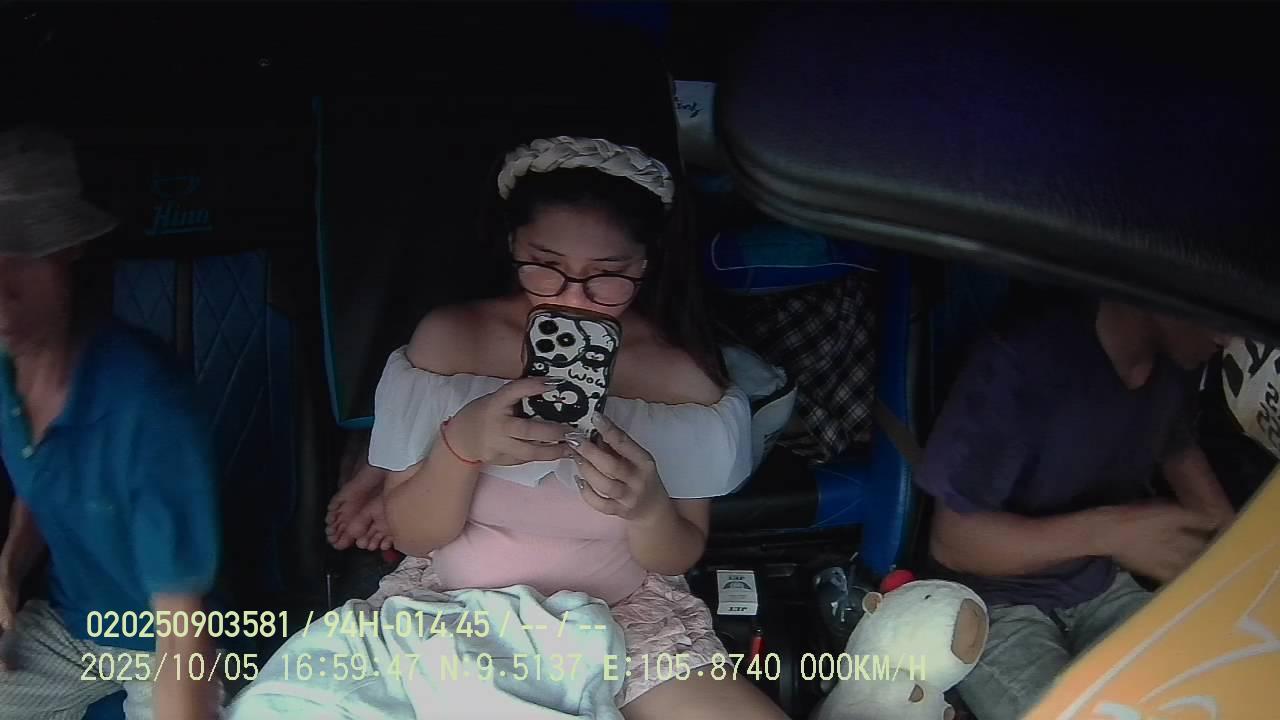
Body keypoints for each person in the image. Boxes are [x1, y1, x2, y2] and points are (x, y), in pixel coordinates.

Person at [322, 135, 786, 718]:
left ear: (645, 264)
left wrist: (648, 510)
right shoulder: (451, 342)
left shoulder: (683, 380)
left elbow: (676, 555)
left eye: (608, 276)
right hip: (454, 611)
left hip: (625, 623)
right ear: (513, 246)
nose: (574, 300)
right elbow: (415, 537)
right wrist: (460, 447)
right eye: (545, 267)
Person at [916, 295, 1237, 720]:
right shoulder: (1024, 359)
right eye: (1219, 310)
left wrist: (1241, 559)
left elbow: (1181, 455)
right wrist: (1110, 532)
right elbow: (952, 543)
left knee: (1213, 692)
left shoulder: (1173, 368)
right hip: (993, 604)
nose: (1228, 337)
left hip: (1098, 583)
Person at [0, 125, 222, 719]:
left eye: (24, 252)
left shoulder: (146, 402)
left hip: (162, 639)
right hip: (68, 627)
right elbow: (42, 481)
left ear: (69, 250)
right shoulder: (6, 371)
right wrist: (10, 566)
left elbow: (182, 629)